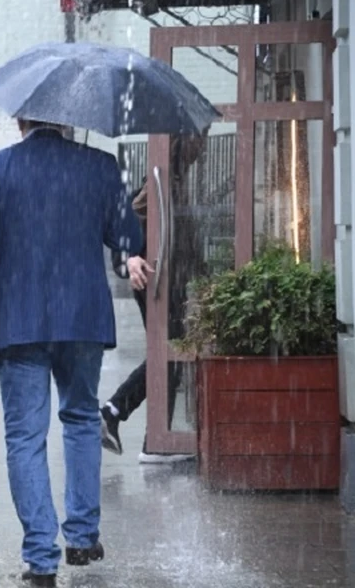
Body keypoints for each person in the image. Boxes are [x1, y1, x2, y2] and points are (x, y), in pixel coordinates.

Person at [0, 120, 142, 588]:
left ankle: (41, 559)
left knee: (25, 437)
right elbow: (127, 240)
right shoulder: (101, 166)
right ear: (65, 121)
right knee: (80, 418)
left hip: (18, 321)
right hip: (82, 318)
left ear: (21, 121)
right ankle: (81, 537)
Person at [102, 134, 207, 464]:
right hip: (155, 281)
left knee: (169, 356)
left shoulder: (172, 179)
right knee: (167, 354)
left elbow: (182, 236)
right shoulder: (157, 182)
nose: (199, 147)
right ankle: (117, 414)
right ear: (179, 145)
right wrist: (130, 257)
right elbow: (128, 226)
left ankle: (154, 439)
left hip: (168, 281)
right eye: (195, 141)